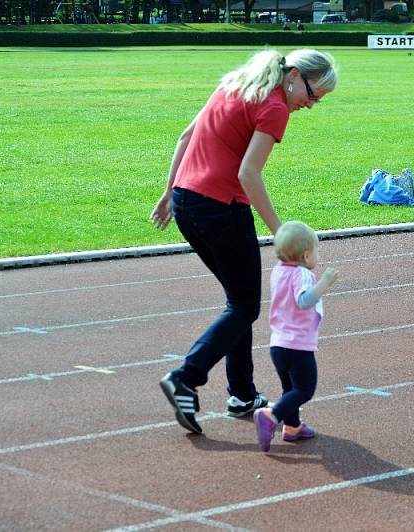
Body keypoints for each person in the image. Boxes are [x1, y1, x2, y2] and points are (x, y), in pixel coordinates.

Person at [150, 50, 338, 434]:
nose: (311, 104)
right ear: (295, 75)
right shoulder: (274, 107)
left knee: (239, 302)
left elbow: (186, 136)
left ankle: (242, 394)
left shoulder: (235, 83)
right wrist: (283, 235)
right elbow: (248, 173)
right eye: (314, 94)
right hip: (221, 207)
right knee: (243, 305)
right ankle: (186, 377)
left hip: (189, 202)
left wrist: (170, 193)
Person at [253, 221, 339, 452]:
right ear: (306, 254)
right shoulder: (302, 274)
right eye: (316, 252)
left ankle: (292, 427)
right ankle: (272, 415)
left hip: (278, 344)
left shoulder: (279, 271)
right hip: (298, 346)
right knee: (304, 390)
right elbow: (304, 301)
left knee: (289, 389)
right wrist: (325, 282)